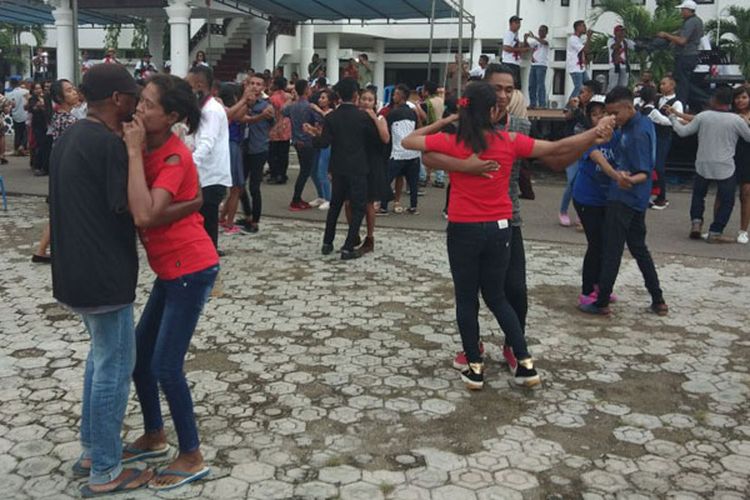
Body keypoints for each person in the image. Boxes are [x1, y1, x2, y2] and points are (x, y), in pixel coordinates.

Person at [402, 80, 616, 389]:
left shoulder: (453, 142)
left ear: (465, 110)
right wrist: (594, 133)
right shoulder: (510, 140)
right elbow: (557, 149)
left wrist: (447, 122)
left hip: (463, 228)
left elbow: (409, 141)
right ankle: (526, 364)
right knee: (498, 296)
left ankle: (475, 368)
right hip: (501, 228)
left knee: (466, 298)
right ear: (492, 110)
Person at [49, 63, 160, 497]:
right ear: (118, 100)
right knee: (115, 366)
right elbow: (135, 208)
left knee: (100, 361)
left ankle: (94, 452)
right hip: (104, 274)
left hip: (74, 270)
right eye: (134, 96)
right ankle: (106, 472)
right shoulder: (109, 146)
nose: (137, 103)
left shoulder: (71, 137)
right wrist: (135, 154)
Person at [119, 73, 217, 493]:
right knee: (141, 358)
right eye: (140, 101)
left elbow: (145, 214)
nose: (139, 110)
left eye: (149, 105)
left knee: (164, 365)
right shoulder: (152, 148)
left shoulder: (174, 158)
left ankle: (191, 453)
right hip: (169, 271)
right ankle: (155, 435)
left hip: (190, 271)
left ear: (172, 115)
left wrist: (134, 153)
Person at [580, 86, 668, 317]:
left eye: (615, 113)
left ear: (629, 107)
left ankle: (601, 302)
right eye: (608, 113)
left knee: (612, 250)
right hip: (636, 199)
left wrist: (624, 179)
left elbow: (645, 171)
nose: (612, 118)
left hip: (624, 198)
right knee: (639, 249)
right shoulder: (635, 124)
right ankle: (658, 299)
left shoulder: (637, 132)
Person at [305, 78, 378, 260]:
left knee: (335, 205)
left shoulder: (331, 117)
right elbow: (373, 141)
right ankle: (348, 245)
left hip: (338, 168)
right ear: (356, 96)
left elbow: (324, 143)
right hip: (358, 167)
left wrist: (313, 135)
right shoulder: (364, 117)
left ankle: (327, 242)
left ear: (338, 96)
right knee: (359, 207)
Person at [668, 86, 750, 242]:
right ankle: (716, 231)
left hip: (703, 163)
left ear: (715, 100)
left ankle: (696, 223)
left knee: (699, 195)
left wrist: (673, 118)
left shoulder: (703, 116)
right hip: (725, 165)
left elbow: (683, 132)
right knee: (727, 200)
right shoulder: (736, 120)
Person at [572, 96, 623, 306]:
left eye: (603, 113)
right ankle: (586, 291)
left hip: (607, 199)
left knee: (606, 244)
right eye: (594, 115)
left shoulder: (619, 136)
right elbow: (600, 161)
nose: (599, 118)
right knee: (596, 244)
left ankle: (600, 286)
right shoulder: (588, 138)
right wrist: (619, 177)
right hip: (586, 198)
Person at [32, 79, 79, 264]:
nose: (74, 92)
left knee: (59, 213)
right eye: (69, 90)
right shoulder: (69, 120)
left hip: (60, 168)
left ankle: (42, 250)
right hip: (69, 171)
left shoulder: (60, 117)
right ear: (60, 97)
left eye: (73, 88)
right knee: (66, 212)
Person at [186, 65, 232, 249]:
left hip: (210, 176)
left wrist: (188, 164)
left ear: (198, 85)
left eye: (188, 86)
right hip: (204, 174)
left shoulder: (211, 110)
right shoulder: (201, 108)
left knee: (207, 222)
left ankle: (208, 259)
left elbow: (207, 143)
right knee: (203, 222)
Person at [351, 87, 390, 253]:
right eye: (364, 99)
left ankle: (370, 236)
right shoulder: (354, 117)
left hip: (372, 163)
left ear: (375, 102)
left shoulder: (380, 117)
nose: (366, 102)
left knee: (368, 204)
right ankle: (353, 233)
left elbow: (385, 138)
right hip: (355, 162)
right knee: (349, 202)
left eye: (370, 99)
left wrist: (374, 118)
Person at [237, 74, 275, 232]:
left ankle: (255, 221)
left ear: (263, 87)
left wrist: (263, 115)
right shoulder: (241, 102)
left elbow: (271, 120)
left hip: (258, 148)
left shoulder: (266, 105)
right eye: (252, 83)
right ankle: (247, 214)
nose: (254, 86)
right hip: (243, 147)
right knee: (239, 184)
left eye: (258, 84)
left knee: (254, 186)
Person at [559, 79, 600, 227]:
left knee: (583, 182)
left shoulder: (593, 110)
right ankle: (563, 211)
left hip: (587, 148)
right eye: (580, 91)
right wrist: (573, 108)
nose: (580, 94)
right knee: (572, 181)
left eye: (583, 92)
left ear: (591, 93)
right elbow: (567, 118)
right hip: (571, 148)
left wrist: (579, 111)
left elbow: (589, 125)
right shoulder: (574, 104)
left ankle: (580, 213)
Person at [657, 0, 706, 110]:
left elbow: (682, 41)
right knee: (686, 81)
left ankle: (682, 105)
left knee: (682, 83)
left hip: (686, 55)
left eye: (683, 10)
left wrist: (666, 35)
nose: (681, 12)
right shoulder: (698, 21)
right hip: (692, 55)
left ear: (689, 10)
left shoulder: (690, 22)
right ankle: (697, 102)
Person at [380, 84, 421, 215]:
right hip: (413, 152)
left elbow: (386, 132)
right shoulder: (412, 113)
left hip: (397, 152)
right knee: (413, 182)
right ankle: (413, 206)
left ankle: (384, 206)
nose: (393, 97)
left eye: (395, 94)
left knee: (386, 180)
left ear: (400, 96)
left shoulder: (393, 113)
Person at [643, 76, 683, 210]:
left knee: (659, 166)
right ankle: (651, 194)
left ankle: (662, 197)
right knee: (651, 166)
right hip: (653, 135)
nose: (661, 86)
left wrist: (666, 117)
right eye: (660, 84)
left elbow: (678, 120)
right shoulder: (658, 99)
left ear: (672, 85)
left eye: (664, 83)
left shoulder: (677, 103)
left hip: (664, 137)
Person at [282, 78, 322, 211]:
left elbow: (283, 111)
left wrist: (291, 98)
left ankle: (297, 198)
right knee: (305, 172)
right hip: (308, 140)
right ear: (306, 90)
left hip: (296, 140)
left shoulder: (293, 106)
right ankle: (296, 198)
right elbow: (319, 120)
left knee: (304, 171)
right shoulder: (309, 107)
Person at [309, 88, 334, 210]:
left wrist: (317, 109)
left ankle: (329, 198)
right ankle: (321, 195)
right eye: (320, 97)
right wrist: (311, 130)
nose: (320, 100)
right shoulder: (318, 115)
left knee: (322, 172)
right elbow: (319, 131)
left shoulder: (331, 112)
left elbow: (329, 118)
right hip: (318, 143)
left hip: (328, 145)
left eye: (323, 98)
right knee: (313, 172)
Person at [266, 76, 292, 184]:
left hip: (275, 126)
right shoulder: (289, 97)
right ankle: (282, 174)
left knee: (273, 153)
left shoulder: (272, 98)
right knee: (284, 153)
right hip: (286, 125)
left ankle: (274, 174)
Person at [733, 86, 750, 244]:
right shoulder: (731, 115)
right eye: (738, 98)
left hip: (748, 158)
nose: (740, 101)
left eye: (744, 97)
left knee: (746, 194)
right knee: (724, 194)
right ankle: (716, 228)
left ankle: (743, 230)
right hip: (730, 157)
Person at [26, 82, 52, 176]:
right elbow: (32, 109)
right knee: (40, 145)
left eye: (39, 88)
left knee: (46, 145)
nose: (38, 90)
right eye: (36, 89)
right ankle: (38, 165)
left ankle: (45, 165)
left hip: (46, 124)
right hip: (38, 125)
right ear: (33, 90)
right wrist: (38, 106)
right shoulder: (32, 99)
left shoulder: (46, 97)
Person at [566, 20, 592, 100]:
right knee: (579, 87)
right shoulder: (573, 39)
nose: (585, 28)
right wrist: (589, 37)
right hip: (575, 67)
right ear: (578, 27)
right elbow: (586, 50)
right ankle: (569, 106)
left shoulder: (578, 39)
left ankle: (583, 104)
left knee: (588, 86)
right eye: (583, 26)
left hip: (581, 67)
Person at [502, 16, 529, 90]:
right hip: (509, 63)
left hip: (515, 63)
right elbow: (506, 48)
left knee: (516, 86)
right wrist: (520, 50)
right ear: (511, 24)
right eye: (516, 23)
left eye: (519, 23)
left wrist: (525, 40)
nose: (518, 25)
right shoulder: (509, 34)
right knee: (512, 85)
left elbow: (520, 46)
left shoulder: (515, 35)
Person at [526, 25, 549, 109]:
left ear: (546, 32)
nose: (540, 32)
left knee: (540, 85)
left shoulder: (547, 39)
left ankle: (542, 104)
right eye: (539, 30)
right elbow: (528, 46)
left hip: (542, 65)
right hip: (534, 65)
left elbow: (544, 43)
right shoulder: (535, 42)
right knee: (531, 85)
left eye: (542, 31)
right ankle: (533, 103)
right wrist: (525, 39)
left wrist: (534, 37)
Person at [6, 76, 29, 155]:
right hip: (25, 115)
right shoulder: (26, 91)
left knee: (18, 132)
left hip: (15, 115)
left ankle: (17, 148)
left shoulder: (9, 94)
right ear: (19, 83)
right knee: (25, 132)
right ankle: (23, 147)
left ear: (11, 84)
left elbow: (9, 105)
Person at [607, 25, 635, 91]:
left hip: (624, 66)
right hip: (614, 66)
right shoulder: (611, 40)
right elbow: (614, 47)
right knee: (613, 86)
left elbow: (634, 46)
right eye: (620, 31)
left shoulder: (626, 41)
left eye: (623, 31)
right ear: (615, 32)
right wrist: (619, 40)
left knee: (623, 86)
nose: (622, 33)